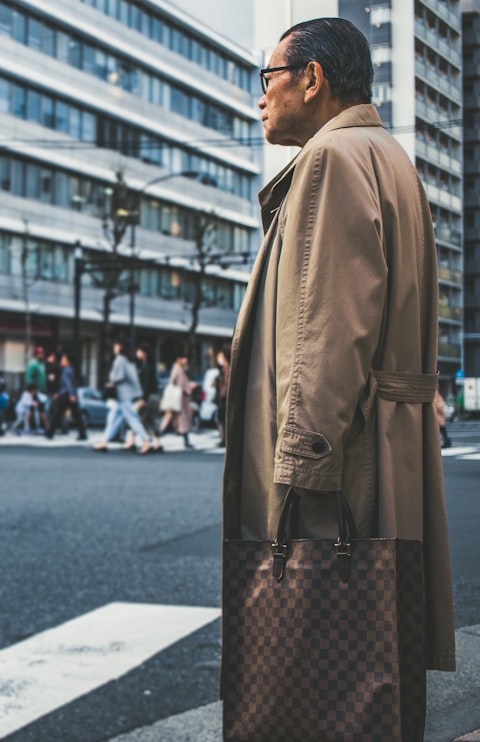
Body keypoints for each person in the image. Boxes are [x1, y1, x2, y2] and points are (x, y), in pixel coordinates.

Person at [222, 15, 455, 722]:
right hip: (390, 453)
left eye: (269, 78)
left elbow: (327, 333)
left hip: (339, 467)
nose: (261, 97)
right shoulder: (389, 159)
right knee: (381, 649)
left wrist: (301, 467)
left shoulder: (332, 160)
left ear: (312, 79)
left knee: (317, 670)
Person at [93, 342, 152, 454]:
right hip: (125, 394)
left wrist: (111, 382)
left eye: (116, 345)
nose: (114, 348)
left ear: (121, 347)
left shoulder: (120, 359)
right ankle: (104, 441)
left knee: (131, 418)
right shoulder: (129, 360)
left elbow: (117, 376)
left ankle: (146, 440)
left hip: (122, 394)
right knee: (113, 418)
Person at [44, 352, 86, 441]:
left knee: (57, 414)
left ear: (68, 362)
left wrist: (70, 395)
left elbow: (68, 384)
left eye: (63, 359)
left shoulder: (67, 370)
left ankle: (50, 432)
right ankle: (82, 433)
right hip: (68, 394)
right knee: (76, 414)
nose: (62, 361)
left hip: (66, 395)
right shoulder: (71, 369)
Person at [159, 351, 195, 449]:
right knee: (181, 420)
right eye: (184, 358)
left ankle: (158, 435)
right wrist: (187, 387)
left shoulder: (179, 368)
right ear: (178, 359)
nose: (186, 360)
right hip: (179, 399)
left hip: (179, 399)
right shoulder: (177, 368)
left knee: (172, 418)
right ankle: (157, 435)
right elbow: (174, 381)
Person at [134, 345, 163, 453]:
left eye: (139, 351)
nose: (137, 353)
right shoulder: (151, 366)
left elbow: (146, 385)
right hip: (155, 396)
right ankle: (158, 443)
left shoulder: (146, 367)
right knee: (154, 419)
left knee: (143, 420)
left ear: (144, 353)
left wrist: (143, 399)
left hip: (149, 397)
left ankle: (146, 444)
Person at [213, 347, 230, 446]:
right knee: (221, 419)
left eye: (220, 356)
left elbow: (226, 386)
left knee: (222, 419)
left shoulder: (227, 369)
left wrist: (222, 396)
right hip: (222, 399)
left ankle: (224, 439)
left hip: (224, 400)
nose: (218, 358)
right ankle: (223, 439)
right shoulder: (223, 369)